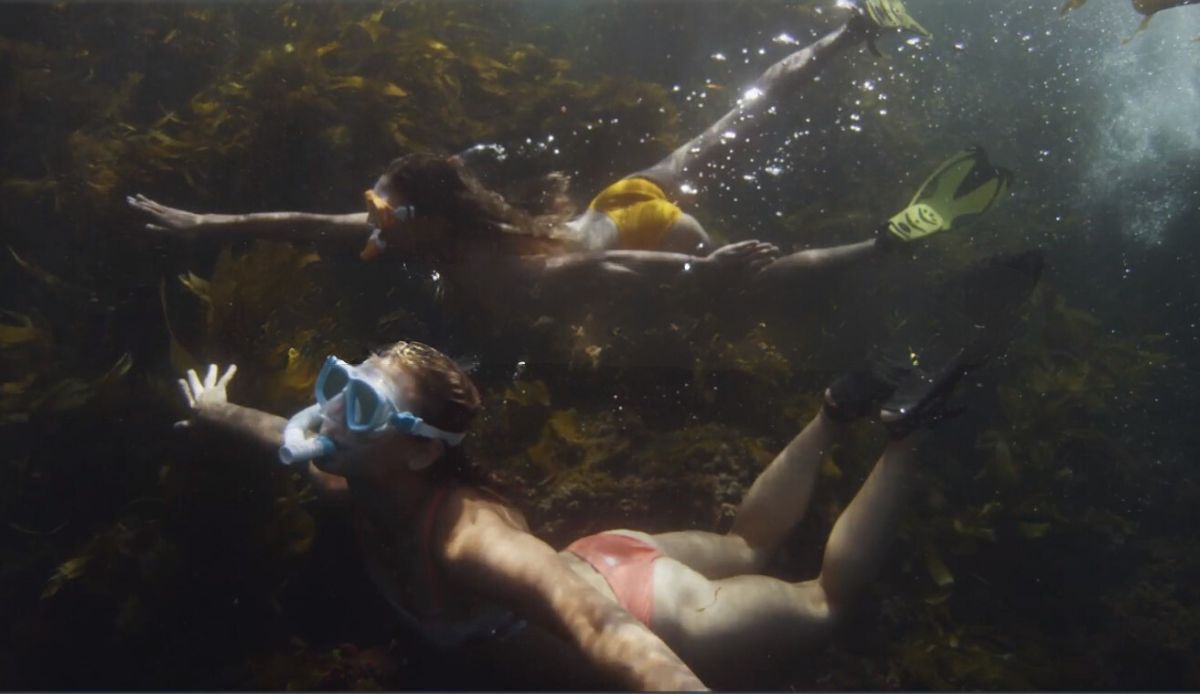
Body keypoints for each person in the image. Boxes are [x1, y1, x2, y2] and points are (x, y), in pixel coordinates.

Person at [174, 298, 1023, 689]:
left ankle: (903, 440)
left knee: (828, 601)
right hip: (610, 557)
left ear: (420, 453)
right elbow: (276, 435)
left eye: (359, 401)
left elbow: (598, 626)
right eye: (339, 379)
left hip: (653, 612)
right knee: (751, 546)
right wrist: (217, 412)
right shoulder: (352, 472)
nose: (327, 409)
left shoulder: (466, 540)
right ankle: (832, 417)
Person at [127, 0, 1011, 306]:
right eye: (376, 206)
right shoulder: (451, 226)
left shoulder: (510, 271)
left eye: (386, 212)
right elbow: (301, 223)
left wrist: (709, 271)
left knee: (759, 284)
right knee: (732, 126)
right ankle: (849, 35)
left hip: (651, 236)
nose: (371, 223)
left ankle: (886, 243)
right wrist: (208, 221)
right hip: (616, 197)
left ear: (430, 219)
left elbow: (625, 276)